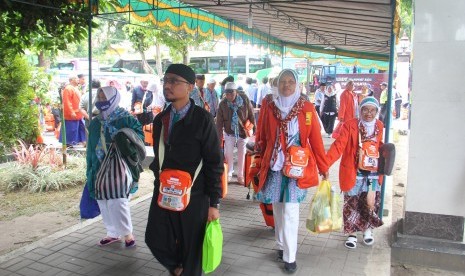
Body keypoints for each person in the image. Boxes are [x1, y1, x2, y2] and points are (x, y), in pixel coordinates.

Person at [145, 64, 223, 276]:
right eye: (166, 80)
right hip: (165, 192)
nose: (167, 86)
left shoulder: (202, 119)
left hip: (195, 197)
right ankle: (177, 268)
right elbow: (159, 159)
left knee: (192, 250)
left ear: (190, 87)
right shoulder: (161, 119)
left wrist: (213, 203)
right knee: (155, 237)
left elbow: (214, 162)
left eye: (174, 81)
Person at [254, 69, 329, 273]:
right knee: (278, 207)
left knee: (291, 210)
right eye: (282, 81)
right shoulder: (269, 106)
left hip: (297, 167)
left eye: (291, 81)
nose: (286, 85)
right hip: (275, 166)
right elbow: (261, 134)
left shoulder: (306, 107)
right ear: (277, 84)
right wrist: (258, 154)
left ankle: (290, 256)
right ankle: (280, 244)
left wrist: (324, 166)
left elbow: (315, 139)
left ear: (297, 85)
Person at [86, 86, 144, 248]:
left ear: (114, 98)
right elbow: (90, 147)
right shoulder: (95, 122)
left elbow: (138, 138)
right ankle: (112, 232)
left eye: (104, 98)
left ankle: (127, 234)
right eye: (99, 98)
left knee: (117, 199)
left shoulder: (126, 118)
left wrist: (121, 137)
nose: (101, 101)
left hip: (120, 166)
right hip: (98, 166)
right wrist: (90, 166)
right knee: (102, 199)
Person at [326, 96, 384, 250]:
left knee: (370, 202)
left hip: (372, 173)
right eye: (365, 109)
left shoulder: (379, 126)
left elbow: (381, 146)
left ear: (377, 112)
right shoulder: (351, 125)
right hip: (353, 172)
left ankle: (367, 230)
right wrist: (325, 164)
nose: (369, 113)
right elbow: (338, 146)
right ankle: (351, 234)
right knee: (352, 203)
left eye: (372, 110)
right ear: (360, 110)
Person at [216, 82, 255, 185]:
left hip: (243, 133)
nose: (229, 95)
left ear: (236, 92)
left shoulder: (244, 100)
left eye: (231, 92)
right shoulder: (223, 104)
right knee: (228, 153)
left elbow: (251, 114)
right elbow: (219, 123)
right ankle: (229, 173)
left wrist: (254, 128)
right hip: (229, 133)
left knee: (242, 153)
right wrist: (218, 138)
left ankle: (240, 175)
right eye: (227, 93)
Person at [60, 75, 86, 146]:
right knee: (71, 129)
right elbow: (67, 101)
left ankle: (81, 141)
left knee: (80, 128)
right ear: (71, 80)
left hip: (78, 113)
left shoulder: (75, 88)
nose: (78, 80)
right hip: (72, 113)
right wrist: (71, 112)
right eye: (76, 78)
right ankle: (69, 142)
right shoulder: (68, 89)